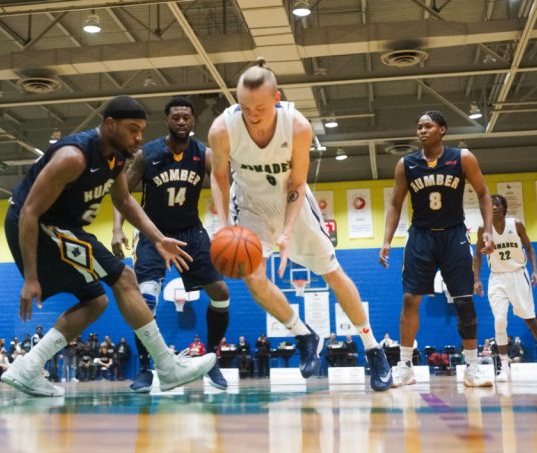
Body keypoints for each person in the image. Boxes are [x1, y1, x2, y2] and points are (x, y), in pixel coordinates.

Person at [0, 95, 216, 397]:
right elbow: (28, 212)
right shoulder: (74, 157)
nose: (139, 137)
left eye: (142, 130)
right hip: (40, 225)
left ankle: (28, 366)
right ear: (110, 124)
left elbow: (124, 200)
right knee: (125, 278)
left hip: (62, 227)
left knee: (96, 302)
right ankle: (166, 367)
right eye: (132, 129)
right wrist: (31, 277)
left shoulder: (115, 158)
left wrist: (158, 238)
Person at [208, 59, 391, 391]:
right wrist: (224, 226)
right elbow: (219, 177)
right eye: (244, 106)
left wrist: (288, 232)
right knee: (253, 278)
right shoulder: (222, 129)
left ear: (277, 98)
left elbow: (296, 184)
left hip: (292, 204)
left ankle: (373, 348)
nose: (252, 114)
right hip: (249, 206)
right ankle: (304, 334)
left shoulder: (297, 126)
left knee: (333, 273)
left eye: (260, 107)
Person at [112, 96, 231, 392]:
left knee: (221, 292)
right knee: (146, 301)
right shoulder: (147, 154)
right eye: (176, 117)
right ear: (167, 120)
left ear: (193, 121)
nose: (181, 122)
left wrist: (227, 223)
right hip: (154, 235)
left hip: (191, 233)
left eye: (186, 118)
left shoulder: (202, 153)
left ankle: (211, 359)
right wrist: (117, 229)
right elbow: (122, 194)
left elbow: (221, 181)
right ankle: (144, 369)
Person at [380, 110, 494, 388]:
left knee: (464, 301)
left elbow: (484, 194)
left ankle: (472, 368)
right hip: (420, 237)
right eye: (419, 126)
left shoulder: (462, 158)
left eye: (428, 126)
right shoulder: (406, 164)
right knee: (410, 299)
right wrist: (386, 239)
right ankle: (404, 366)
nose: (421, 131)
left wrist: (488, 230)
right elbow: (395, 203)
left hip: (454, 236)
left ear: (442, 129)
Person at [473, 194, 537, 381]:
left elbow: (529, 247)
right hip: (497, 278)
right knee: (500, 321)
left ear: (504, 208)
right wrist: (477, 279)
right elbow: (477, 255)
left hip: (518, 274)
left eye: (497, 205)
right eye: (491, 205)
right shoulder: (483, 230)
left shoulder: (516, 224)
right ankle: (504, 367)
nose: (494, 207)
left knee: (531, 321)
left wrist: (534, 270)